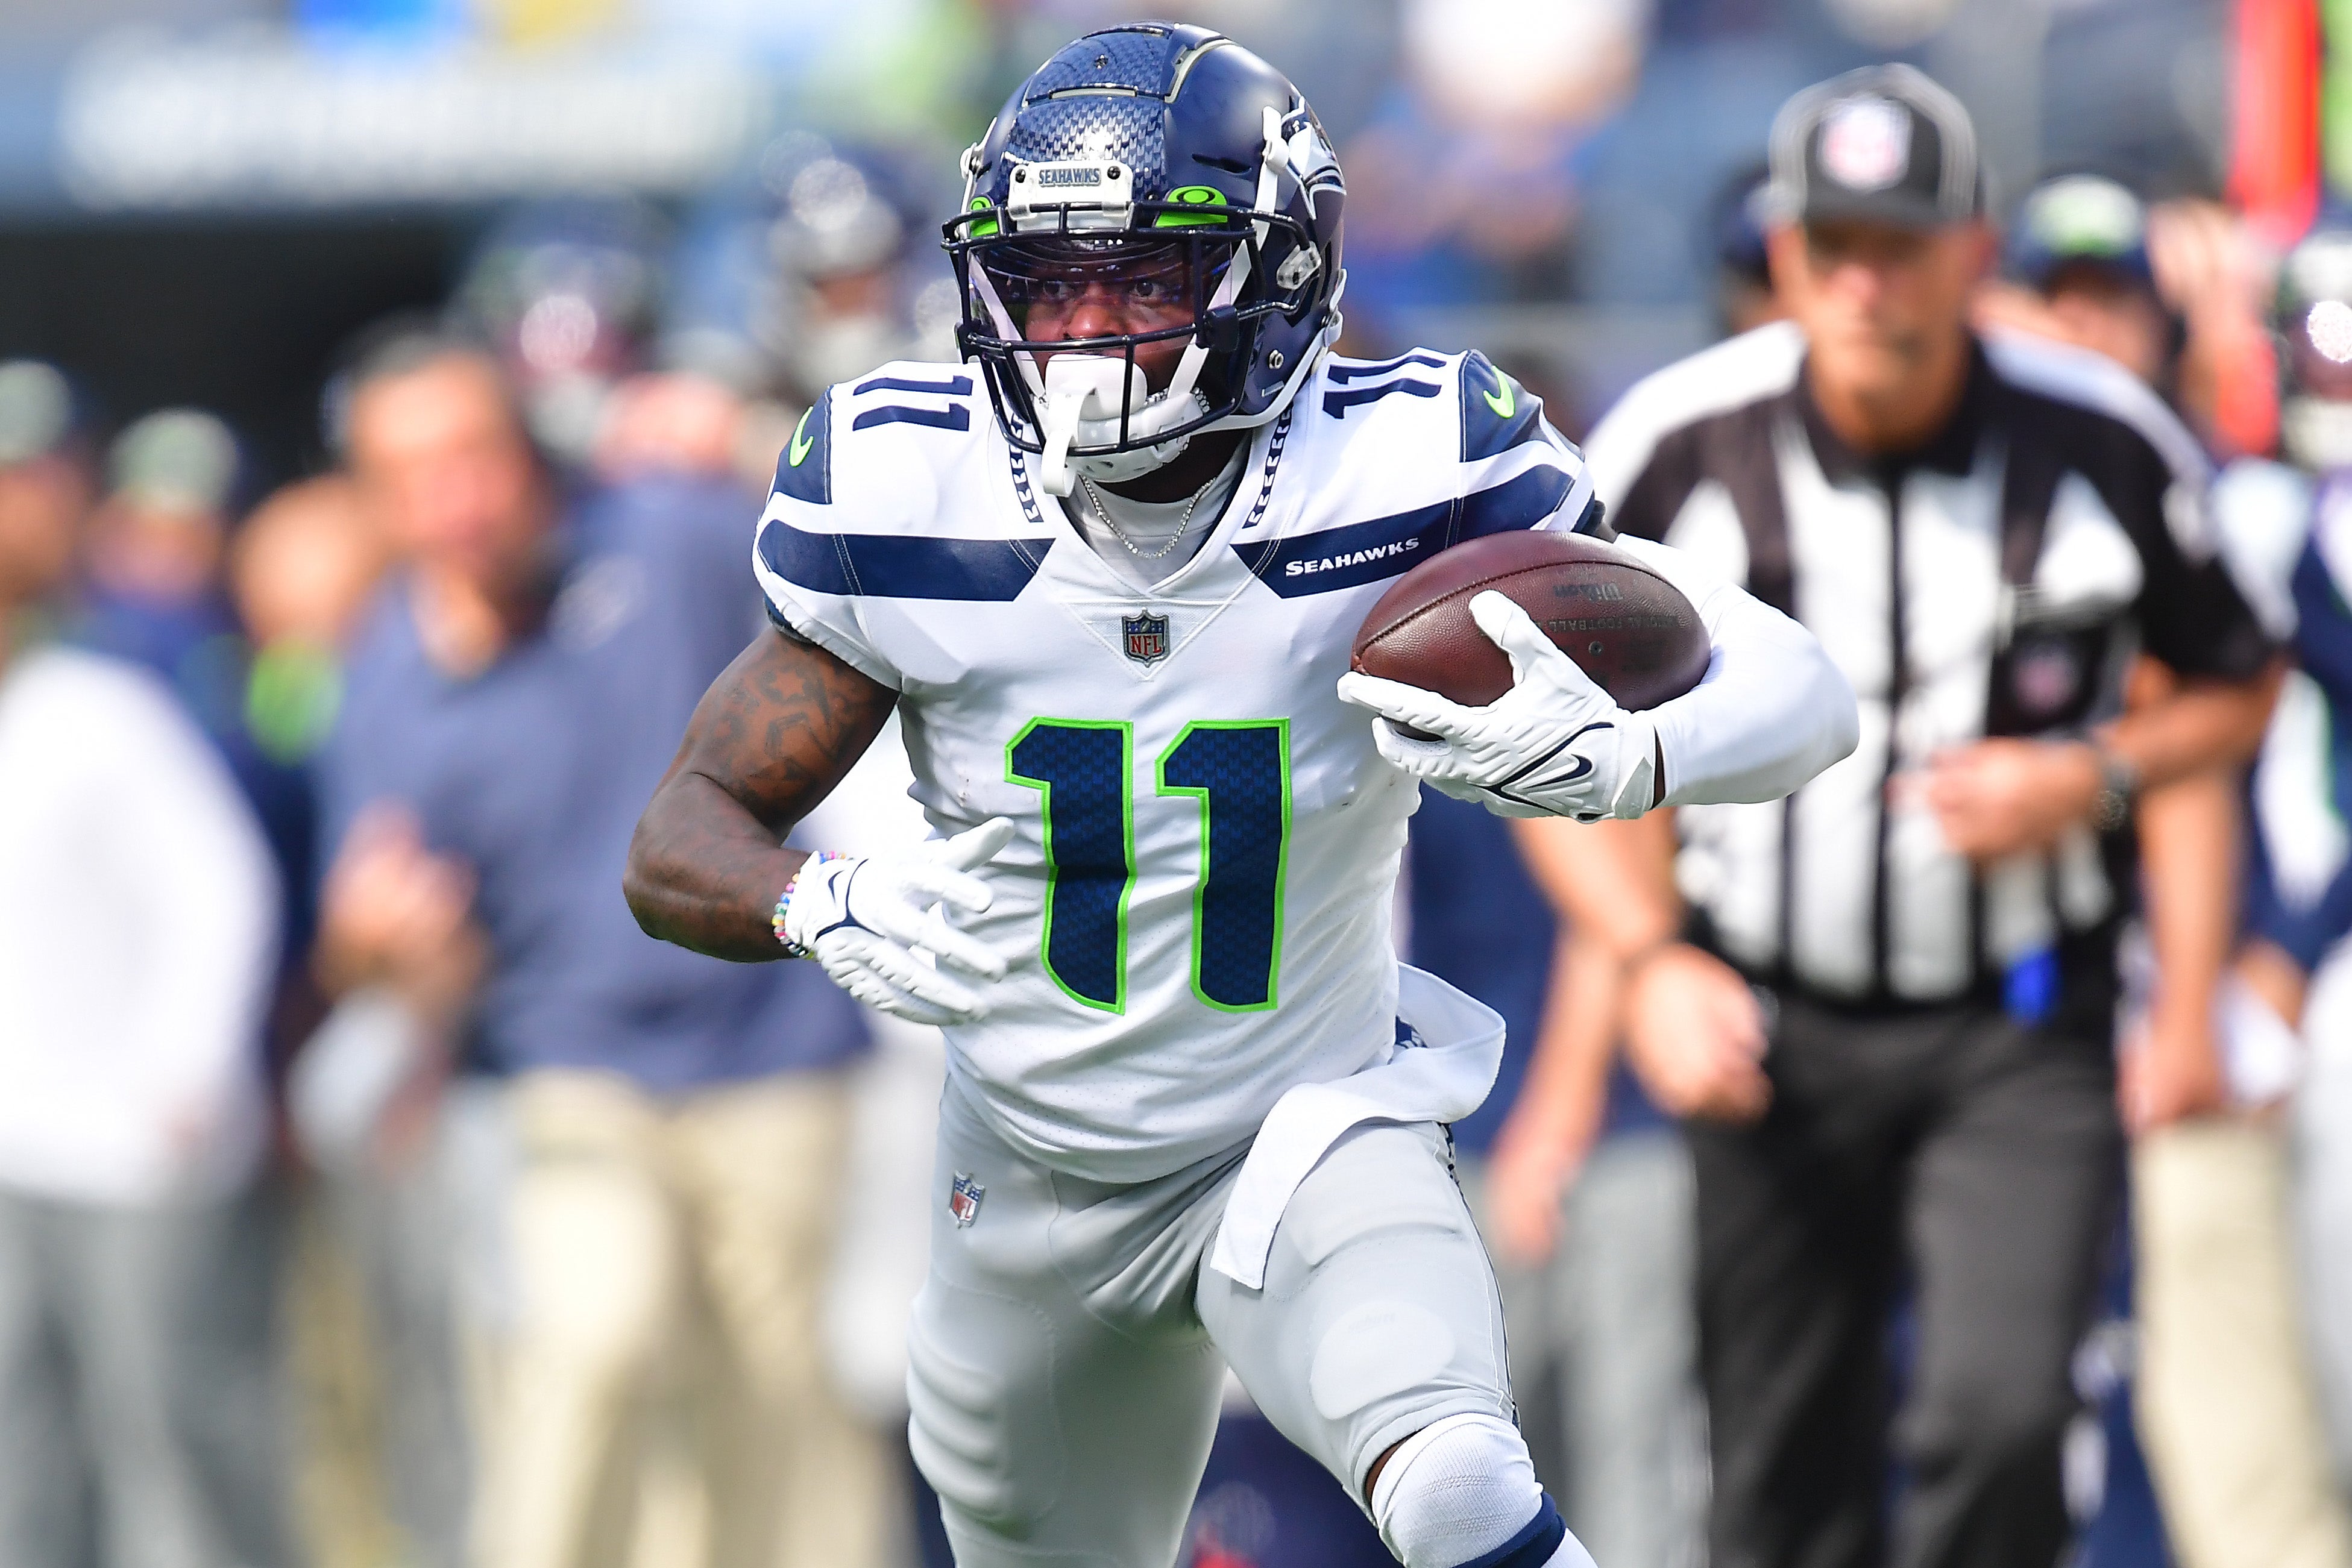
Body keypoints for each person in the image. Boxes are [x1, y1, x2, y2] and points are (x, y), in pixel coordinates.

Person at [624, 24, 1858, 1568]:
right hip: (1025, 1165)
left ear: (1277, 272)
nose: (1084, 331)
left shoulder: (1405, 459)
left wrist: (1635, 757)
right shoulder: (896, 485)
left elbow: (1801, 690)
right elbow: (679, 835)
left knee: (1460, 1477)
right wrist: (812, 901)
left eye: (1144, 279)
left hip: (1309, 1124)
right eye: (1049, 279)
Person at [1558, 65, 2281, 1568]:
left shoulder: (2100, 440)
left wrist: (2091, 774)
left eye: (1901, 242)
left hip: (2020, 1021)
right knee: (1775, 1461)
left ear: (1969, 248)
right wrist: (1646, 959)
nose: (1865, 284)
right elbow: (1537, 736)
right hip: (1769, 1013)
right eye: (1833, 245)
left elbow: (2233, 681)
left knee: (2003, 1416)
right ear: (1785, 254)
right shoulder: (1678, 446)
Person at [316, 327, 887, 1568]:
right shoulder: (388, 674)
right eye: (410, 472)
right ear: (375, 500)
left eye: (471, 452)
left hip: (769, 1043)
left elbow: (871, 522)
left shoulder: (663, 533)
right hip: (569, 1069)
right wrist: (380, 945)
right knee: (593, 1335)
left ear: (526, 445)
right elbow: (367, 928)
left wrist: (733, 431)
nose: (453, 494)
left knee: (778, 1398)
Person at [1997, 183, 2352, 1568]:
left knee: (2244, 1436)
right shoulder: (1955, 491)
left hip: (2216, 1021)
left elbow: (2259, 730)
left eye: (2112, 297)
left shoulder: (2240, 508)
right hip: (2004, 1029)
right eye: (2056, 294)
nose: (2084, 327)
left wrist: (2269, 954)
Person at [0, 359, 285, 1568]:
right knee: (31, 1447)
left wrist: (187, 1068)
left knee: (175, 1432)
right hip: (23, 1148)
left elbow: (223, 890)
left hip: (141, 1148)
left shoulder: (102, 700)